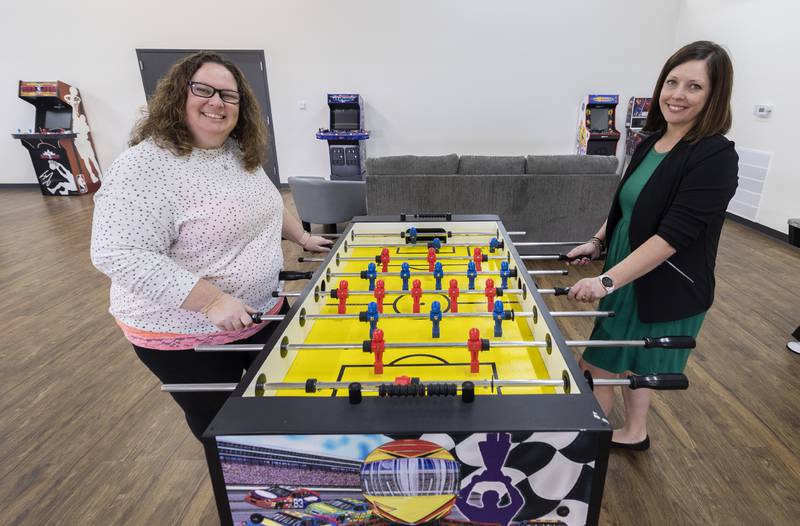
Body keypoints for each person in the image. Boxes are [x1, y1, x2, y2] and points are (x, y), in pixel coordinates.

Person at [90, 51, 332, 442]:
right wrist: (211, 301)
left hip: (261, 313)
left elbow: (268, 202)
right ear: (176, 96)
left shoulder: (237, 152)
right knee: (228, 434)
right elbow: (118, 253)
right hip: (186, 336)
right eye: (203, 89)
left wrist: (302, 238)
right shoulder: (143, 165)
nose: (217, 102)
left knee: (281, 411)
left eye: (228, 95)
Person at [566, 41, 739, 450]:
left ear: (715, 96)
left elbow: (671, 238)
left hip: (663, 282)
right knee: (631, 359)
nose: (677, 94)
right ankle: (634, 431)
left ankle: (574, 454)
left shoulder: (715, 156)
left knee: (599, 367)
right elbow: (628, 208)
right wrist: (597, 241)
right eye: (672, 81)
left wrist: (606, 282)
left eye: (694, 87)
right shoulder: (651, 140)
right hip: (627, 270)